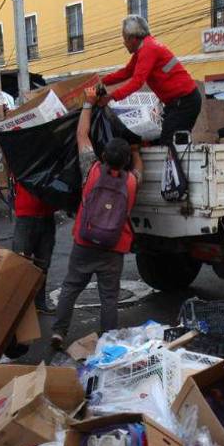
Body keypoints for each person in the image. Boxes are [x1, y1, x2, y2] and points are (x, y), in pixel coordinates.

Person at [50, 88, 142, 350]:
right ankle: (108, 340)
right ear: (125, 162)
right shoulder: (132, 182)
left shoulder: (90, 170)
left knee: (70, 287)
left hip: (85, 240)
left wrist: (89, 103)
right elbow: (139, 169)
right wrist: (135, 150)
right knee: (109, 297)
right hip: (113, 247)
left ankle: (58, 332)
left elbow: (82, 134)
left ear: (103, 157)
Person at [95, 16, 200, 144]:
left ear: (133, 38)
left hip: (185, 102)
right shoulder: (144, 48)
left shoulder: (148, 50)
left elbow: (137, 82)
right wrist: (102, 81)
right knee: (162, 140)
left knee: (170, 143)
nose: (124, 43)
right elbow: (127, 72)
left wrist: (111, 97)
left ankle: (176, 164)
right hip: (179, 102)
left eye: (125, 39)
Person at [11, 178, 56, 313]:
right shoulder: (25, 161)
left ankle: (39, 303)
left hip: (46, 214)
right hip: (27, 215)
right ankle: (18, 306)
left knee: (43, 264)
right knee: (21, 264)